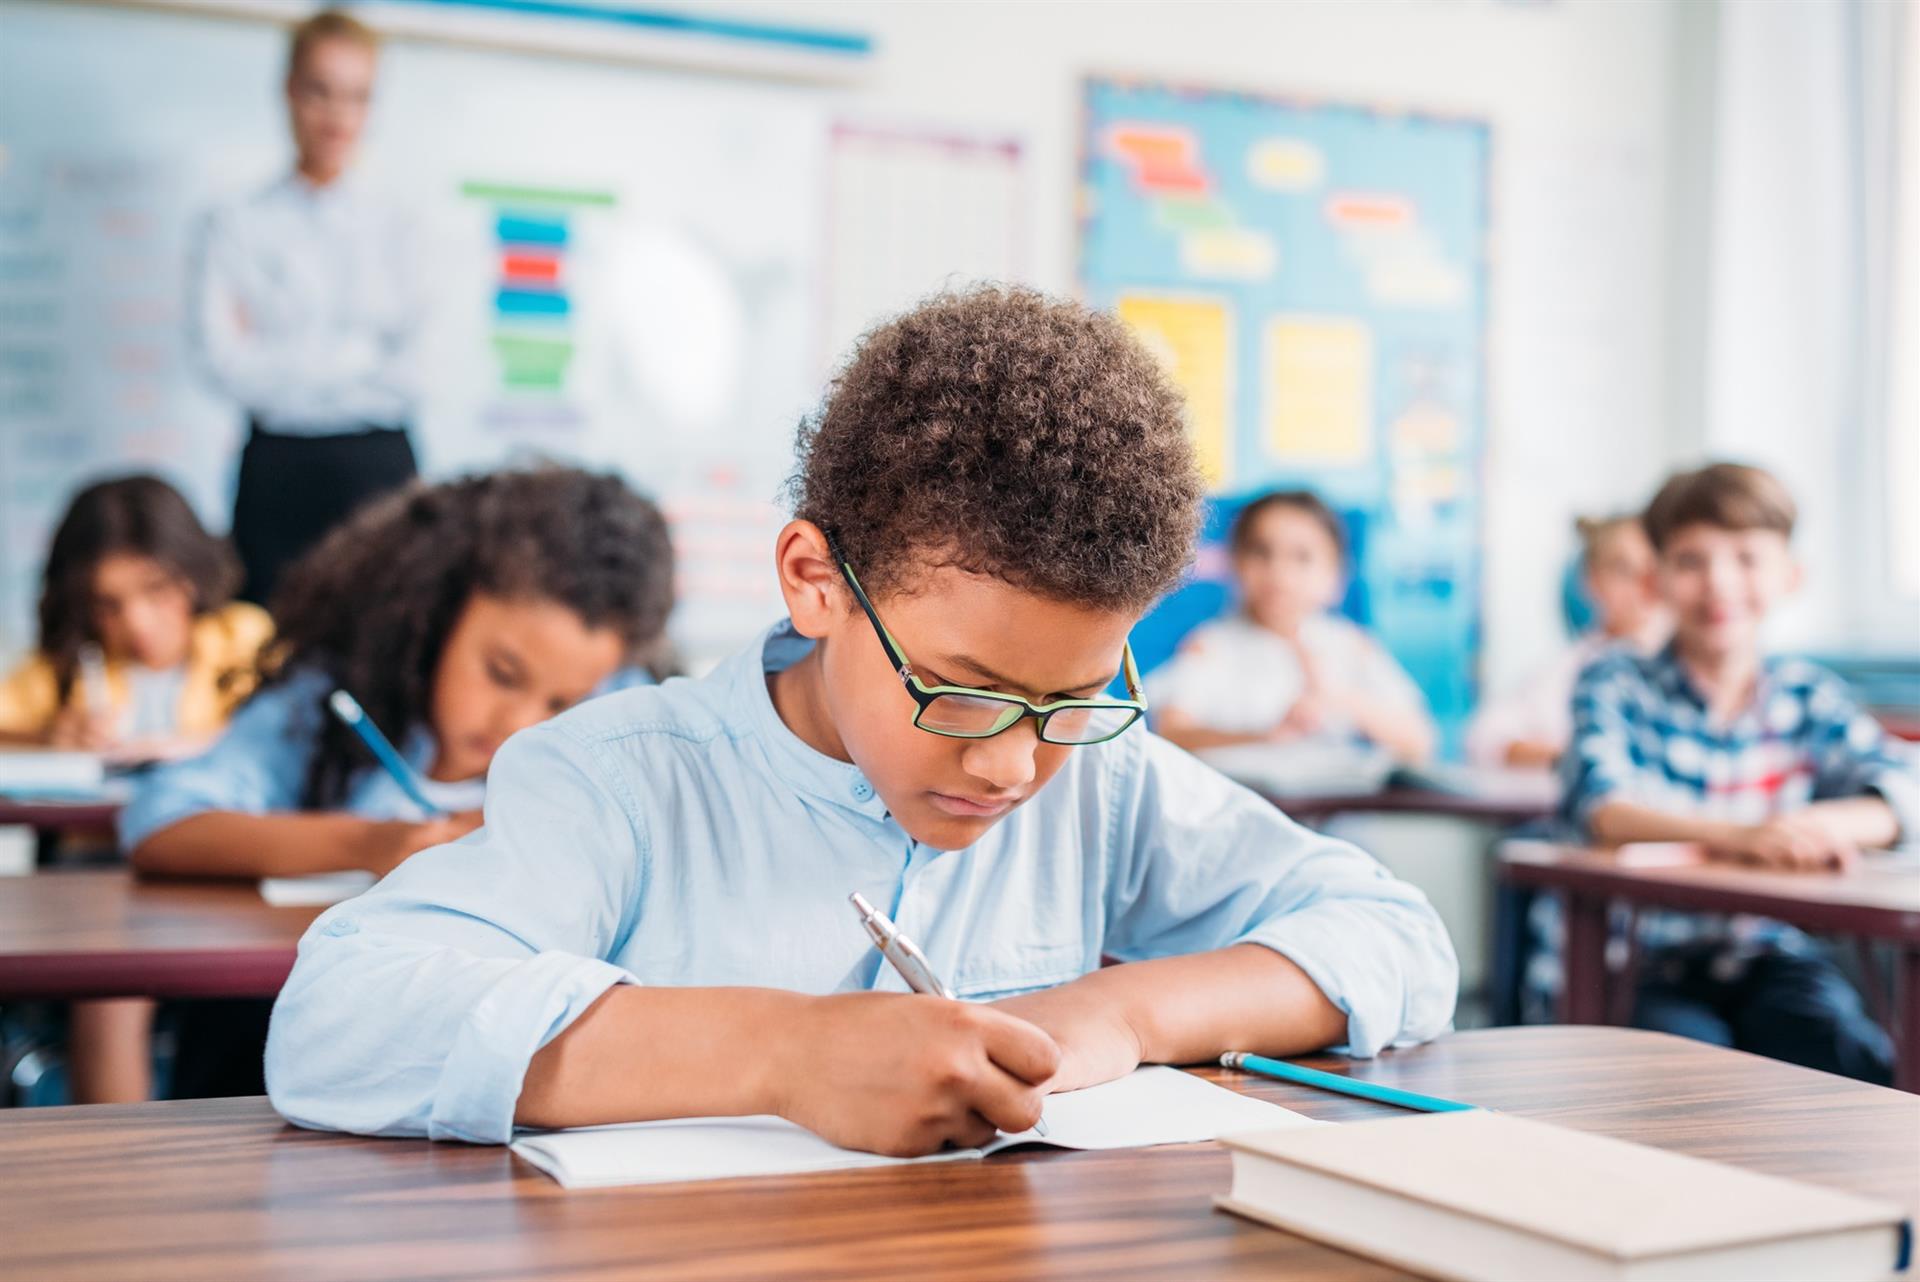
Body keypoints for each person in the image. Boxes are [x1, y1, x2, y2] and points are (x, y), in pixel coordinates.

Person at [263, 287, 1457, 1150]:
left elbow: (1395, 934)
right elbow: (336, 1017)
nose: (1011, 760)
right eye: (961, 688)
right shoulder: (623, 779)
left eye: (1073, 700)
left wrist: (1116, 1011)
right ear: (814, 580)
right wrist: (784, 1054)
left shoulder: (1103, 777)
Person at [121, 467, 675, 1097]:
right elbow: (159, 823)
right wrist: (378, 845)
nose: (519, 723)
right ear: (436, 616)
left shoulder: (616, 717)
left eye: (560, 702)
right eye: (501, 672)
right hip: (276, 1066)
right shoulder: (328, 702)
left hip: (491, 1083)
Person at [1554, 462, 1916, 1082]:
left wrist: (1826, 823)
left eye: (1747, 558)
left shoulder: (1806, 696)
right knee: (1697, 1078)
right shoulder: (1615, 681)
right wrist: (1749, 835)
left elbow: (1903, 787)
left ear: (1790, 577)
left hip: (1768, 953)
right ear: (1656, 580)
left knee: (1854, 1063)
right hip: (1644, 963)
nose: (1719, 583)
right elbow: (1604, 807)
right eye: (1691, 561)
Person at [0, 474, 272, 1104]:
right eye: (109, 604)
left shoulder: (243, 637)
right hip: (104, 867)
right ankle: (116, 1175)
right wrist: (51, 736)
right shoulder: (65, 668)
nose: (138, 623)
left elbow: (283, 730)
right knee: (113, 984)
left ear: (192, 577)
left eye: (157, 592)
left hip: (214, 861)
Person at [188, 9, 426, 606]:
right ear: (290, 92)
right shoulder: (234, 223)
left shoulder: (407, 223)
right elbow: (222, 363)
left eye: (358, 96)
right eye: (320, 91)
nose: (338, 116)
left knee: (386, 635)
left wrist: (281, 358)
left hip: (379, 469)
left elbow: (419, 369)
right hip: (276, 468)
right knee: (266, 640)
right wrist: (360, 357)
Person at [1148, 490, 1435, 765]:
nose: (1279, 573)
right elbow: (1171, 732)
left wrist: (1340, 698)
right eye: (1261, 552)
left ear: (1336, 576)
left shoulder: (1351, 645)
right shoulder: (1210, 646)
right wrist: (1266, 738)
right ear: (1234, 563)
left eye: (1302, 557)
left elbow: (1419, 743)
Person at [1466, 514, 1668, 769]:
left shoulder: (1694, 662)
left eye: (1653, 568)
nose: (1642, 583)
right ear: (1592, 580)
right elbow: (1485, 738)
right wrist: (1580, 761)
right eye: (1622, 569)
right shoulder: (1567, 672)